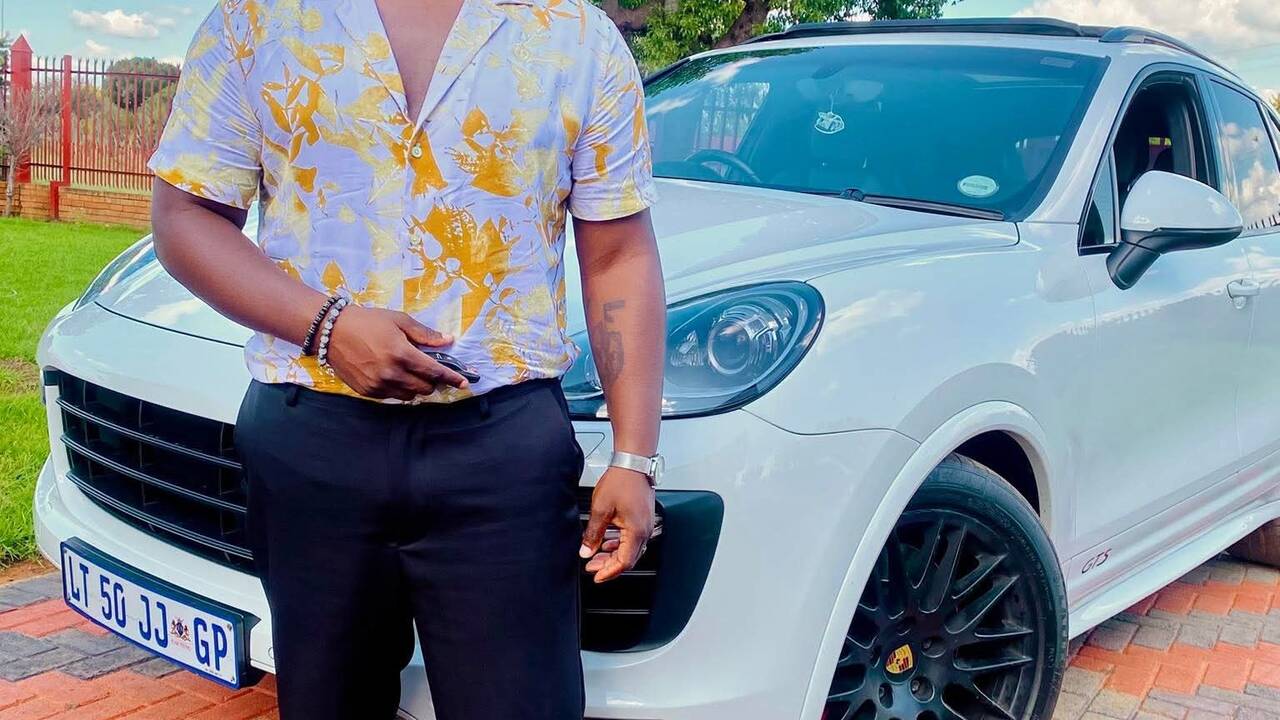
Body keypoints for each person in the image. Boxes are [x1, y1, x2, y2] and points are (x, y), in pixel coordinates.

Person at [147, 1, 666, 718]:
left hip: (503, 452)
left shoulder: (576, 35)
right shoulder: (258, 19)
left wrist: (635, 456)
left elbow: (618, 254)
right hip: (310, 443)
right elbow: (184, 216)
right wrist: (327, 327)